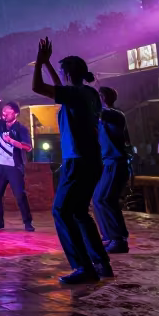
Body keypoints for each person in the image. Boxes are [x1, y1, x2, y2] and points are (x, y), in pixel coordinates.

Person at [32, 38, 112, 284]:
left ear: (68, 73)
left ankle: (83, 267)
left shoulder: (75, 93)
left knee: (61, 210)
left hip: (77, 160)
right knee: (79, 211)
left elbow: (38, 87)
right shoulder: (89, 93)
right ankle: (101, 263)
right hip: (93, 159)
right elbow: (60, 88)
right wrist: (48, 65)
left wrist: (39, 63)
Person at [0, 97, 34, 232]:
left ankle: (27, 222)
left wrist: (12, 141)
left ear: (15, 113)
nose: (5, 114)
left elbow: (28, 147)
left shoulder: (21, 129)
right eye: (4, 112)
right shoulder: (0, 126)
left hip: (14, 167)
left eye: (8, 112)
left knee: (19, 195)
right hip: (0, 167)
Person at [95, 87, 131, 254]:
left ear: (104, 98)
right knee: (97, 199)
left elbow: (98, 111)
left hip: (116, 162)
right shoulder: (102, 118)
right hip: (108, 162)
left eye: (98, 96)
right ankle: (109, 236)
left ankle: (118, 239)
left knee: (105, 199)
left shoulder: (116, 115)